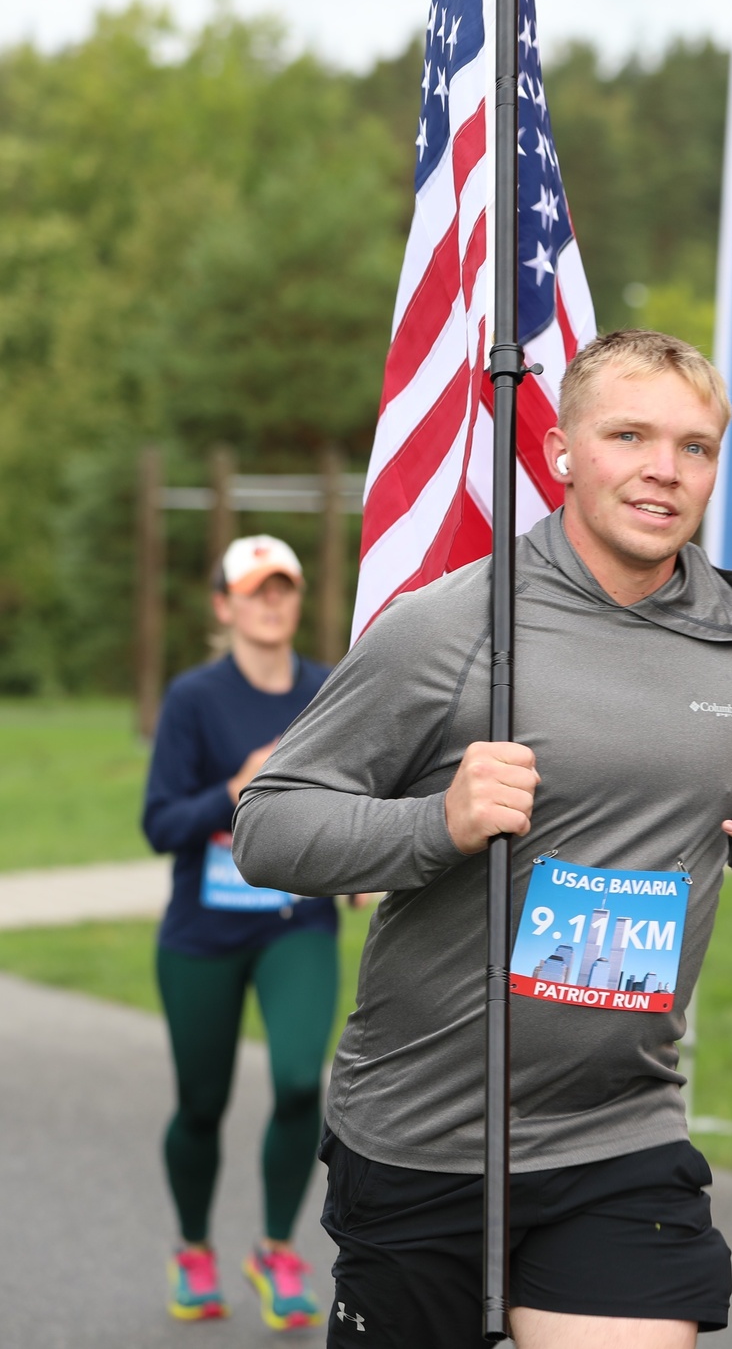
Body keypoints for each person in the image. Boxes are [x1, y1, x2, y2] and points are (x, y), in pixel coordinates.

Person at [232, 332, 732, 1349]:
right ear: (561, 451)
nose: (664, 469)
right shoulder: (453, 625)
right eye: (630, 435)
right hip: (430, 1136)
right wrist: (439, 823)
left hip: (619, 1132)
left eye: (694, 447)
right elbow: (269, 826)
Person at [143, 533, 347, 1331]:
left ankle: (275, 1249)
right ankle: (193, 1247)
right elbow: (160, 823)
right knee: (202, 1103)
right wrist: (237, 789)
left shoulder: (329, 690)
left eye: (284, 587)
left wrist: (356, 859)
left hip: (295, 923)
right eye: (255, 589)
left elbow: (351, 797)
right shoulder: (195, 698)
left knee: (301, 1080)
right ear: (224, 605)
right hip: (201, 933)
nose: (272, 601)